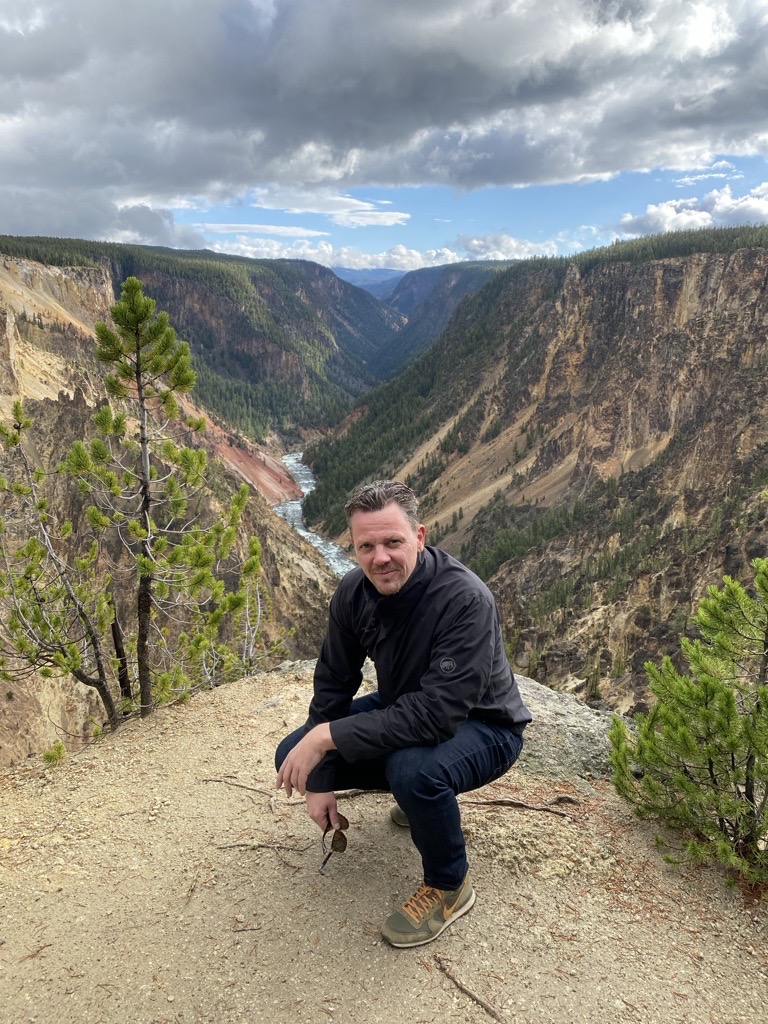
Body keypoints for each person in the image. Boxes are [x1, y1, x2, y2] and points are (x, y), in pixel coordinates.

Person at [275, 479, 532, 948]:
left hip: (486, 725)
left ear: (419, 536)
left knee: (413, 770)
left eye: (393, 542)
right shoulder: (353, 593)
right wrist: (319, 774)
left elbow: (437, 716)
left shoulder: (464, 600)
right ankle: (423, 805)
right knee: (295, 754)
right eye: (366, 546)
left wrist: (327, 738)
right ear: (353, 547)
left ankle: (449, 885)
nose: (380, 558)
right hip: (405, 707)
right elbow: (334, 682)